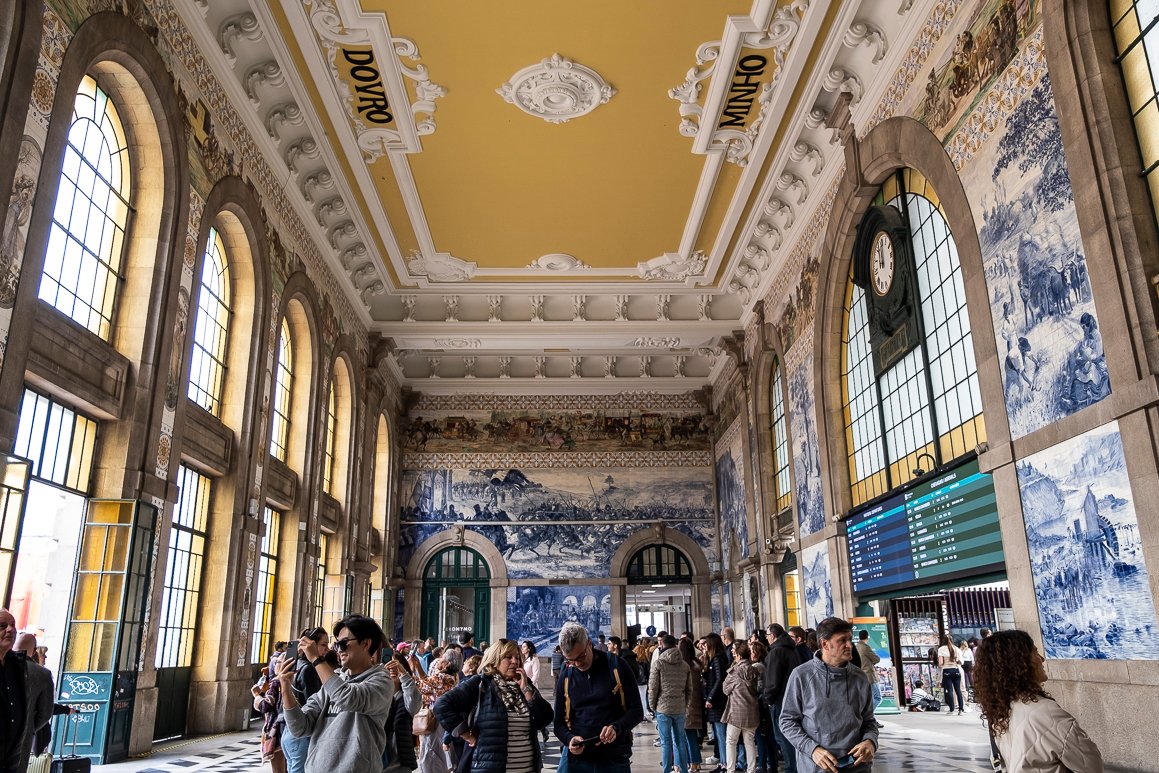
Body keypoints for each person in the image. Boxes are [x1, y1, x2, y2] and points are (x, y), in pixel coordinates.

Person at [973, 630, 1103, 772]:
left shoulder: (1001, 711)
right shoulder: (1045, 713)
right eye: (1035, 652)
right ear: (1019, 663)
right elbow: (1090, 765)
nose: (1042, 659)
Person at [279, 614, 394, 773]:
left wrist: (317, 660)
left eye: (344, 643)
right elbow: (299, 727)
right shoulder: (334, 681)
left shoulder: (381, 681)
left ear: (366, 644)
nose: (339, 649)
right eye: (337, 644)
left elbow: (347, 698)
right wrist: (285, 688)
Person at [435, 639, 553, 773]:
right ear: (495, 660)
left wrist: (527, 691)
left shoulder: (525, 685)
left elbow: (546, 718)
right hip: (489, 766)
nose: (515, 661)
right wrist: (466, 733)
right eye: (508, 657)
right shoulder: (480, 684)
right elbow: (442, 705)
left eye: (517, 657)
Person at [780, 617, 878, 773]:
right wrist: (812, 750)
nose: (849, 645)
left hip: (857, 767)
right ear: (825, 643)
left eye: (850, 639)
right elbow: (787, 721)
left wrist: (870, 742)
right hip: (816, 767)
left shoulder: (860, 677)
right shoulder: (801, 676)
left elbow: (869, 721)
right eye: (842, 640)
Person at [554, 621, 644, 773]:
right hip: (577, 760)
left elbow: (636, 711)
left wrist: (616, 727)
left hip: (614, 758)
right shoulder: (567, 675)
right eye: (570, 660)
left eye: (580, 657)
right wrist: (569, 739)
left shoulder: (617, 666)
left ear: (589, 644)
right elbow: (558, 724)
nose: (577, 664)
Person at [0, 610, 52, 773]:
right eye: (3, 626)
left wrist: (25, 730)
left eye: (13, 625)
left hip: (12, 761)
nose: (10, 629)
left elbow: (40, 714)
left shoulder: (23, 670)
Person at [281, 628, 326, 773]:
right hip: (301, 733)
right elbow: (313, 701)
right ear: (312, 645)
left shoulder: (297, 665)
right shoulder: (309, 670)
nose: (327, 649)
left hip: (289, 731)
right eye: (323, 645)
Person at [411, 649, 460, 773]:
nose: (439, 661)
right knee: (439, 750)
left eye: (442, 658)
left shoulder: (441, 677)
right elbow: (428, 682)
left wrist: (411, 672)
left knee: (431, 748)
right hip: (444, 717)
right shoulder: (453, 677)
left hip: (435, 718)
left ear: (447, 663)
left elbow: (421, 687)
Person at [763, 624, 803, 773]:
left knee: (783, 738)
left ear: (772, 636)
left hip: (780, 701)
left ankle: (791, 769)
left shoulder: (776, 652)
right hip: (793, 698)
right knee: (791, 737)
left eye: (767, 635)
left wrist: (768, 700)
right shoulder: (791, 649)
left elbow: (772, 681)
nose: (767, 638)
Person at [649, 634, 691, 773]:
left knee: (666, 743)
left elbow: (653, 688)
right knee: (680, 742)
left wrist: (652, 705)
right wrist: (685, 705)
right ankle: (684, 770)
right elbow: (689, 689)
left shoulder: (658, 663)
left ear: (662, 645)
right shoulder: (684, 665)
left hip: (663, 708)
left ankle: (666, 771)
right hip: (679, 708)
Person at [721, 641, 760, 773]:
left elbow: (725, 689)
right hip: (752, 711)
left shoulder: (735, 671)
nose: (731, 651)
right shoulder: (754, 670)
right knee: (750, 741)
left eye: (733, 649)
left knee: (731, 741)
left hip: (736, 712)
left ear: (738, 653)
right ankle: (751, 769)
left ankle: (730, 770)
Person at [383, 651, 419, 773]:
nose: (392, 669)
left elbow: (414, 703)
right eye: (389, 665)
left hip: (399, 762)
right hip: (375, 758)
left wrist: (402, 672)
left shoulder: (406, 697)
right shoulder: (376, 695)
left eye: (396, 666)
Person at [253, 657, 288, 773]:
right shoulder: (292, 678)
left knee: (278, 769)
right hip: (288, 729)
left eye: (277, 663)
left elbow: (266, 705)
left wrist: (257, 695)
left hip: (276, 729)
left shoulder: (276, 682)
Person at [701, 632, 729, 770]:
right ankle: (723, 762)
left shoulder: (718, 659)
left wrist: (711, 697)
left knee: (722, 735)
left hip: (718, 702)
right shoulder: (712, 659)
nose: (704, 646)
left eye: (706, 644)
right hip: (715, 702)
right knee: (719, 734)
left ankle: (725, 764)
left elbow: (720, 679)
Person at [678, 638, 705, 773]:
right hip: (696, 703)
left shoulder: (685, 666)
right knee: (691, 735)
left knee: (688, 736)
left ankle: (694, 762)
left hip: (687, 704)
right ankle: (694, 762)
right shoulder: (696, 663)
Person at [854, 630, 883, 721]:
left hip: (860, 676)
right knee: (878, 697)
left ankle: (871, 718)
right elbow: (876, 659)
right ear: (867, 637)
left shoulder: (856, 647)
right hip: (870, 676)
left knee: (867, 699)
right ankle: (867, 716)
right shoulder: (865, 647)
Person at [938, 634, 965, 715]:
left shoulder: (941, 649)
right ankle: (961, 710)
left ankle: (952, 710)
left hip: (947, 671)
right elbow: (961, 662)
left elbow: (940, 663)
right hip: (956, 670)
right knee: (958, 690)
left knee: (949, 690)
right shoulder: (956, 649)